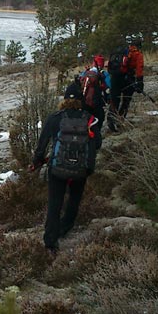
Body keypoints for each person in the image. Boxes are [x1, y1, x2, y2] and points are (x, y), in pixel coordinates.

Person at [29, 82, 99, 253]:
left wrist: (37, 161)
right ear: (81, 100)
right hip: (80, 170)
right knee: (73, 201)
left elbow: (42, 144)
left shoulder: (55, 118)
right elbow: (97, 143)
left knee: (55, 204)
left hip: (57, 168)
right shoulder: (89, 119)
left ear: (65, 99)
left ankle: (51, 242)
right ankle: (64, 228)